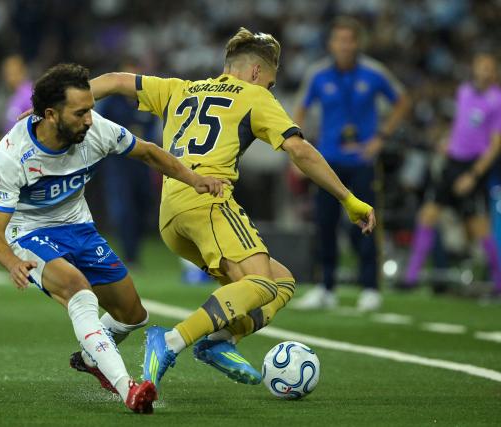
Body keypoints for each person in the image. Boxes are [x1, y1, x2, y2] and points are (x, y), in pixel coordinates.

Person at [88, 27, 376, 389]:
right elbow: (300, 150)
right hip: (208, 201)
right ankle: (173, 341)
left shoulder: (180, 88)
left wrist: (62, 104)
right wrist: (348, 199)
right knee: (261, 284)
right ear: (257, 73)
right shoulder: (255, 95)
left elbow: (114, 80)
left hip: (171, 215)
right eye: (270, 83)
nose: (269, 90)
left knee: (282, 280)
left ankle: (220, 340)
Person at [0, 63, 226, 413]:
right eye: (80, 112)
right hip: (29, 232)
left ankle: (90, 357)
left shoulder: (98, 130)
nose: (88, 119)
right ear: (51, 115)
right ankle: (128, 388)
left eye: (91, 110)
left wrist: (193, 179)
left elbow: (148, 152)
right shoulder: (12, 154)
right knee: (78, 291)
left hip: (79, 227)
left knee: (132, 315)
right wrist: (13, 263)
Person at [293, 17, 410, 311]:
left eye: (350, 40)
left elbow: (403, 101)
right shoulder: (317, 75)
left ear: (359, 43)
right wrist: (297, 148)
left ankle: (370, 288)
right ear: (331, 44)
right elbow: (300, 109)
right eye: (339, 40)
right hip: (327, 163)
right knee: (324, 224)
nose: (345, 45)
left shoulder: (374, 72)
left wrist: (381, 137)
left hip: (363, 161)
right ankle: (326, 287)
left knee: (368, 223)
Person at [399, 52, 501, 293]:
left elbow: (496, 144)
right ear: (474, 69)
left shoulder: (496, 100)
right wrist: (448, 142)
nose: (484, 72)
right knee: (427, 216)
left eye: (489, 68)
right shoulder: (464, 91)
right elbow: (462, 124)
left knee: (480, 229)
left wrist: (474, 175)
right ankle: (411, 277)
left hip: (472, 168)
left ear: (494, 72)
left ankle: (499, 284)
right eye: (480, 67)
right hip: (451, 163)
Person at [96, 58, 159, 268]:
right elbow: (100, 128)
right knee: (124, 209)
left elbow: (152, 132)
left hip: (142, 164)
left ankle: (135, 252)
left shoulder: (147, 103)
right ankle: (129, 255)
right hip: (118, 164)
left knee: (142, 206)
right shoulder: (111, 103)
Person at [1, 54, 33, 132]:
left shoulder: (30, 94)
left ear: (23, 71)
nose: (9, 77)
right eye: (7, 73)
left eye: (13, 72)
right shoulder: (13, 97)